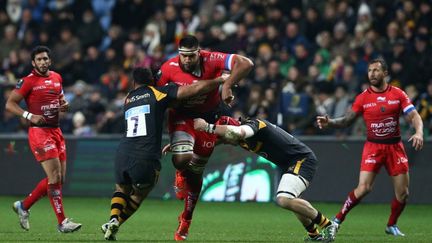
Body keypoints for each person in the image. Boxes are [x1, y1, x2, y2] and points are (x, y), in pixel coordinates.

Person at [101, 67, 227, 241]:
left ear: (134, 82)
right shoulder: (157, 93)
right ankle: (118, 222)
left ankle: (112, 219)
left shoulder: (128, 98)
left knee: (121, 188)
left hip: (123, 152)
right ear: (153, 80)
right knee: (138, 194)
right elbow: (191, 90)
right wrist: (218, 81)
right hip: (146, 155)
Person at [157, 34, 253, 241]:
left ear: (199, 53)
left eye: (191, 56)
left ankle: (186, 219)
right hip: (181, 118)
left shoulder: (212, 59)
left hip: (208, 120)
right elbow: (157, 97)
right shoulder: (167, 68)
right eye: (184, 56)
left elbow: (245, 63)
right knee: (183, 159)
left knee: (197, 174)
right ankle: (180, 171)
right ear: (179, 54)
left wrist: (227, 86)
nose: (187, 60)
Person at [316, 58, 424, 237]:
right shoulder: (363, 98)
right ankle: (337, 220)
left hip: (394, 147)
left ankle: (391, 225)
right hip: (373, 147)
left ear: (385, 73)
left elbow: (414, 116)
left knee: (403, 194)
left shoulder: (398, 94)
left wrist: (419, 132)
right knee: (364, 188)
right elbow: (347, 120)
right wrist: (330, 123)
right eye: (370, 71)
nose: (372, 74)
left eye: (376, 70)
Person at [193, 116, 338, 242]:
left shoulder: (253, 125)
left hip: (302, 160)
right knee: (292, 199)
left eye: (224, 136)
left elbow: (238, 132)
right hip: (289, 163)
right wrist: (183, 146)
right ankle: (314, 235)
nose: (225, 140)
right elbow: (211, 144)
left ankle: (328, 224)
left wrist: (208, 126)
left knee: (284, 199)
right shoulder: (238, 137)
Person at [6, 46, 82, 233]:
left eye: (45, 59)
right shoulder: (27, 81)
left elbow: (61, 99)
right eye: (39, 59)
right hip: (39, 132)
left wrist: (65, 105)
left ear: (50, 60)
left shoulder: (57, 77)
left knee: (59, 179)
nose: (42, 62)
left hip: (56, 131)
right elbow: (9, 104)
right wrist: (29, 115)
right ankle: (62, 222)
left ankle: (23, 206)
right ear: (33, 63)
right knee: (54, 177)